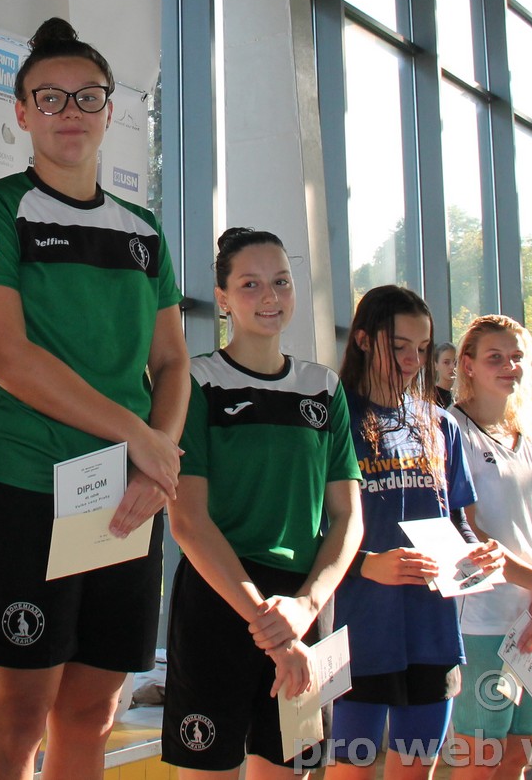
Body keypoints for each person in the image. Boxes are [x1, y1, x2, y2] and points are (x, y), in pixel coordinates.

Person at [0, 17, 190, 780]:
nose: (69, 111)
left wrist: (154, 464)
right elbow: (6, 356)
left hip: (126, 498)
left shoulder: (143, 230)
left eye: (87, 96)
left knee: (92, 714)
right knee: (18, 717)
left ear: (110, 110)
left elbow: (173, 360)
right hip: (26, 486)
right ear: (22, 113)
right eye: (50, 97)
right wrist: (140, 438)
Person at [162, 229, 363, 777]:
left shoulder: (323, 388)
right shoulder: (197, 382)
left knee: (289, 767)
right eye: (250, 284)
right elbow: (188, 521)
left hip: (303, 604)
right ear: (223, 298)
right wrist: (269, 625)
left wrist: (305, 607)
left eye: (281, 281)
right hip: (221, 600)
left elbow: (347, 518)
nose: (270, 296)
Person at [330, 287, 502, 779]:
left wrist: (477, 555)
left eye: (422, 348)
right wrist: (366, 564)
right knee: (351, 768)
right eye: (399, 345)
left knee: (416, 767)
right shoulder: (334, 420)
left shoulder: (439, 424)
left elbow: (456, 518)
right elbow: (311, 527)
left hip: (432, 631)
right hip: (360, 631)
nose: (412, 360)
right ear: (364, 340)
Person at [445, 316, 532, 780]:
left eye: (517, 357)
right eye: (494, 357)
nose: (508, 366)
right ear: (468, 365)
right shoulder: (451, 429)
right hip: (482, 620)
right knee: (481, 760)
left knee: (519, 753)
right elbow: (470, 534)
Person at [433, 342, 458, 409]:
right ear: (436, 365)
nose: (452, 367)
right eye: (446, 362)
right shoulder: (430, 397)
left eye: (455, 362)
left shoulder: (463, 395)